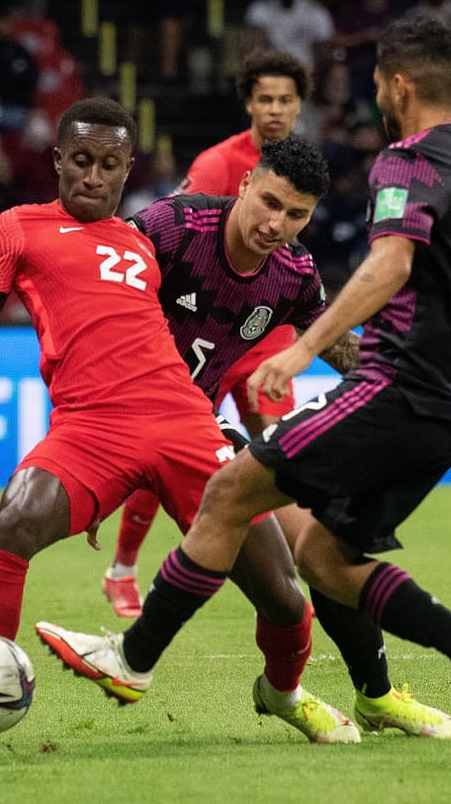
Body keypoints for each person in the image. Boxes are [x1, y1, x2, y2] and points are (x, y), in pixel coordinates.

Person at [37, 15, 451, 757]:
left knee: (235, 496)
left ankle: (134, 660)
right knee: (324, 555)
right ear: (243, 185)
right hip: (450, 400)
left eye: (296, 215)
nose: (278, 224)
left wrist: (305, 350)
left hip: (396, 388)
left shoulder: (401, 167)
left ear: (398, 86)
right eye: (270, 204)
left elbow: (391, 264)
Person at [0, 99, 358, 760]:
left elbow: (272, 310)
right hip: (90, 427)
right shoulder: (20, 228)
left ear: (126, 170)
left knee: (283, 592)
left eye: (109, 165)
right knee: (13, 521)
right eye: (82, 161)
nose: (94, 176)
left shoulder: (144, 239)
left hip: (183, 420)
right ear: (58, 160)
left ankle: (284, 693)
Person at [104, 49, 310, 617]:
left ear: (299, 106)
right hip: (207, 333)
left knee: (279, 452)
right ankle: (123, 566)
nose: (275, 109)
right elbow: (169, 229)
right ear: (249, 104)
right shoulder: (220, 163)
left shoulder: (303, 169)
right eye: (265, 99)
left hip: (266, 335)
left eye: (285, 99)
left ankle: (293, 574)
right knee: (168, 448)